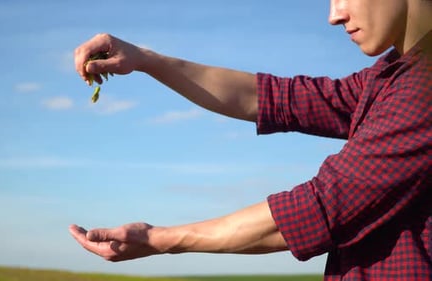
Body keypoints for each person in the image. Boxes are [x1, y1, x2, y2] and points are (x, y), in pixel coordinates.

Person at [69, 0, 432, 280]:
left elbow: (316, 209)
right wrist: (145, 60)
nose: (334, 15)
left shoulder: (424, 88)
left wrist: (158, 239)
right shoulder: (391, 75)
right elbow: (276, 98)